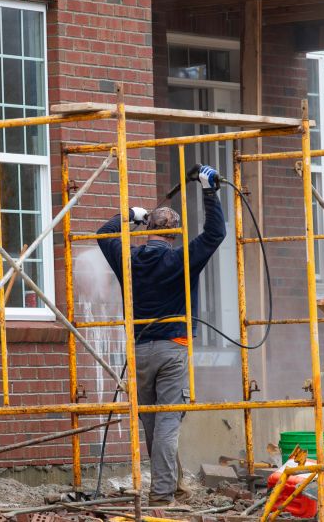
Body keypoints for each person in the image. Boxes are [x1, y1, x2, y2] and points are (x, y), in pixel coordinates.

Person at [96, 165, 226, 506]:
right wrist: (210, 191)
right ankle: (163, 493)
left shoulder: (129, 259)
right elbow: (215, 234)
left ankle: (171, 483)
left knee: (153, 422)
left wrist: (130, 214)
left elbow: (103, 233)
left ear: (148, 230)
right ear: (175, 234)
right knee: (168, 420)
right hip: (173, 347)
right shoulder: (179, 258)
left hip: (138, 350)